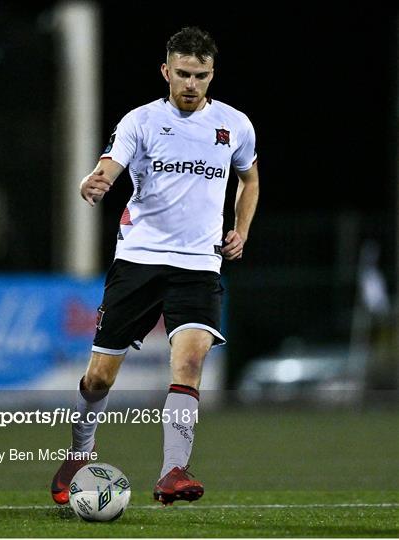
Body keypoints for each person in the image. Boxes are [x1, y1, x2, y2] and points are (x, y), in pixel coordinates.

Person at [51, 26, 259, 506]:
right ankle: (81, 452)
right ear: (166, 71)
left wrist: (241, 229)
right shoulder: (141, 122)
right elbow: (108, 165)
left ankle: (173, 472)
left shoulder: (235, 125)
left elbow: (250, 180)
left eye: (200, 75)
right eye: (182, 74)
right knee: (99, 377)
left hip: (199, 266)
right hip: (139, 262)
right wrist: (94, 182)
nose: (190, 84)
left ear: (212, 75)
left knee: (189, 362)